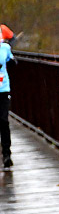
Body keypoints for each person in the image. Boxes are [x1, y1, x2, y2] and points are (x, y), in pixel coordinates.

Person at [0, 26, 15, 168]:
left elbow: (12, 61)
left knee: (4, 121)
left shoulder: (5, 48)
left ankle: (7, 154)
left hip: (3, 89)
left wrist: (12, 62)